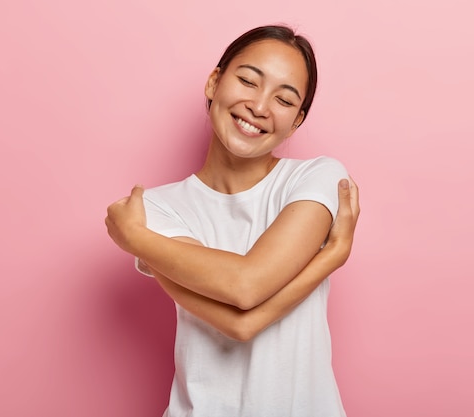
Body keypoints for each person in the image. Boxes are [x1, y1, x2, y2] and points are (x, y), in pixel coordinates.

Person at [105, 25, 360, 417]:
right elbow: (240, 320)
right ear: (213, 82)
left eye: (284, 99)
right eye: (247, 80)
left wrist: (135, 239)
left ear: (297, 121)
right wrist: (332, 255)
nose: (260, 107)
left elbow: (245, 286)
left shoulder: (317, 178)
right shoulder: (156, 208)